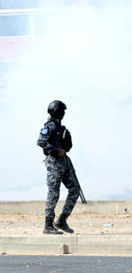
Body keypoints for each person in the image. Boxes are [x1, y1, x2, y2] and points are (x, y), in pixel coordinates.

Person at [36, 100, 83, 235]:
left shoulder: (60, 128)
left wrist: (66, 142)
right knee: (54, 193)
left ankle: (62, 220)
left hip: (64, 162)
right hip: (54, 163)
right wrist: (57, 150)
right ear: (58, 111)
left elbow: (67, 146)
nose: (63, 114)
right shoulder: (49, 126)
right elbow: (41, 141)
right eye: (62, 111)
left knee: (75, 189)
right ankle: (48, 225)